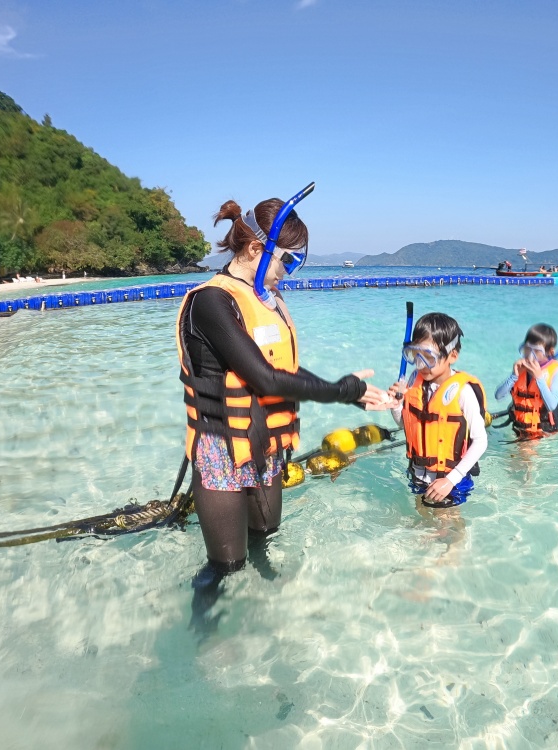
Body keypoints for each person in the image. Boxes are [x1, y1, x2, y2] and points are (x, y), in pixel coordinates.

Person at [176, 186, 392, 627]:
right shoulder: (212, 302)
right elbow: (264, 378)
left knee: (265, 536)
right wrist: (341, 391)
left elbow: (286, 367)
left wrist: (349, 393)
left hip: (267, 446)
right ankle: (207, 639)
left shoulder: (267, 301)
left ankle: (265, 620)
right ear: (256, 249)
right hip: (222, 451)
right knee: (226, 566)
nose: (288, 274)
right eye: (287, 262)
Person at [388, 312, 488, 507]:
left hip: (451, 480)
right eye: (415, 356)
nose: (420, 365)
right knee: (421, 519)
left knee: (448, 523)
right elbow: (406, 425)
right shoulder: (414, 380)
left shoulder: (462, 392)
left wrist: (450, 480)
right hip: (418, 475)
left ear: (452, 355)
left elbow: (481, 441)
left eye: (429, 358)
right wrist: (396, 405)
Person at [495, 324, 558, 437]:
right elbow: (498, 396)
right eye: (527, 349)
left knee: (522, 449)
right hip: (522, 427)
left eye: (536, 351)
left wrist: (539, 378)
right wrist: (513, 376)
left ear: (550, 352)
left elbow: (552, 405)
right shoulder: (521, 369)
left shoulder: (555, 372)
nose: (530, 355)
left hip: (545, 431)